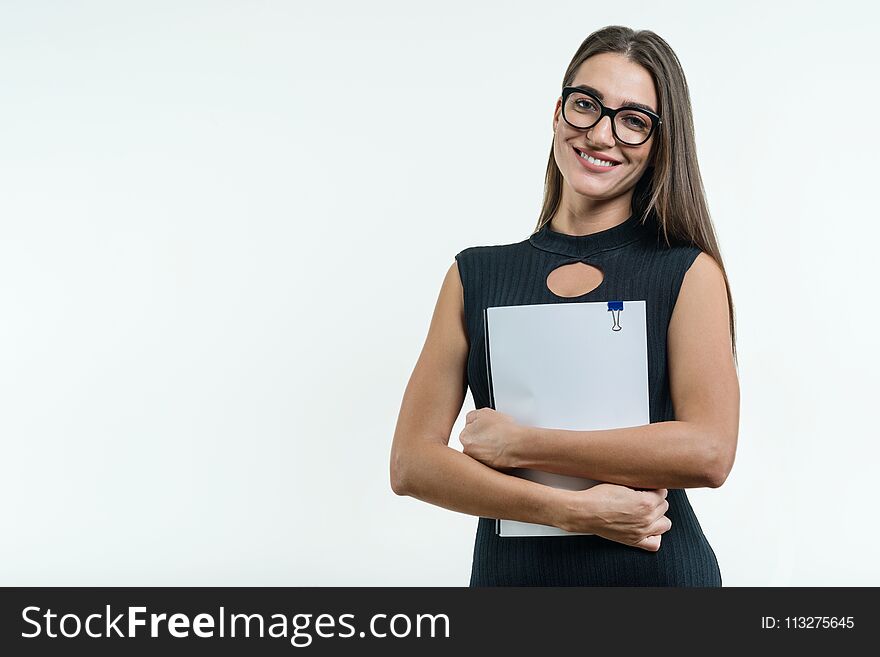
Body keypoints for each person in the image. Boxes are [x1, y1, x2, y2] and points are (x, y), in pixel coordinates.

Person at [389, 25, 740, 586]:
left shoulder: (687, 273)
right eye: (586, 106)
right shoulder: (475, 275)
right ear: (558, 112)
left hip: (657, 580)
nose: (602, 134)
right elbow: (411, 464)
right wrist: (576, 512)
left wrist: (522, 444)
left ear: (659, 142)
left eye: (633, 120)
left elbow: (709, 451)